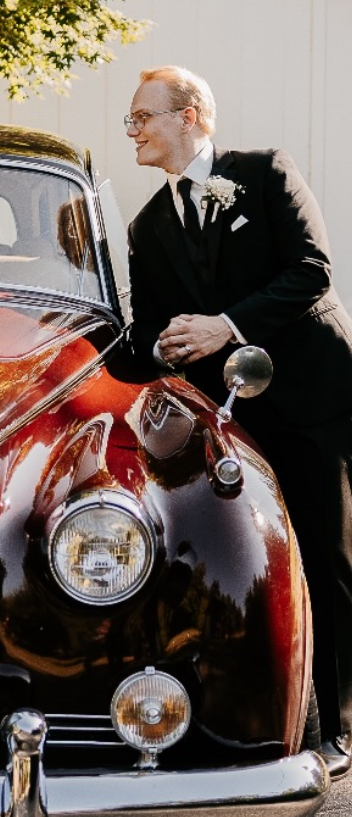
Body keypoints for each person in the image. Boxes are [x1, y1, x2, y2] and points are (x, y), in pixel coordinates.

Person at [125, 63, 352, 774]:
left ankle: (336, 723)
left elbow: (313, 271)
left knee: (326, 552)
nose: (133, 128)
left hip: (313, 396)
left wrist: (226, 325)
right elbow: (149, 331)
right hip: (225, 421)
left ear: (191, 116)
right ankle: (251, 717)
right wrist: (162, 343)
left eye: (144, 116)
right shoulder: (146, 226)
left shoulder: (265, 171)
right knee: (242, 561)